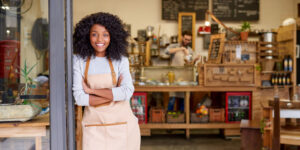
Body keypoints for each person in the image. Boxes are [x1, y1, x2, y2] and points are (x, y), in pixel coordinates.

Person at [72, 12, 140, 150]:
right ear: (86, 36)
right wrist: (115, 95)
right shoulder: (79, 60)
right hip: (93, 129)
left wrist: (91, 91)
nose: (99, 39)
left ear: (112, 37)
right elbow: (79, 98)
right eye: (94, 34)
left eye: (105, 34)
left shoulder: (121, 61)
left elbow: (127, 93)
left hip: (123, 127)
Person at [165, 31, 199, 111]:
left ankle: (181, 119)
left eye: (189, 40)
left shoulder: (190, 50)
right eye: (185, 39)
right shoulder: (174, 46)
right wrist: (181, 48)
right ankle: (169, 120)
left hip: (184, 78)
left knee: (183, 101)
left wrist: (194, 60)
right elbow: (166, 51)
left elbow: (190, 63)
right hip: (173, 78)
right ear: (181, 37)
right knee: (172, 100)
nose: (187, 41)